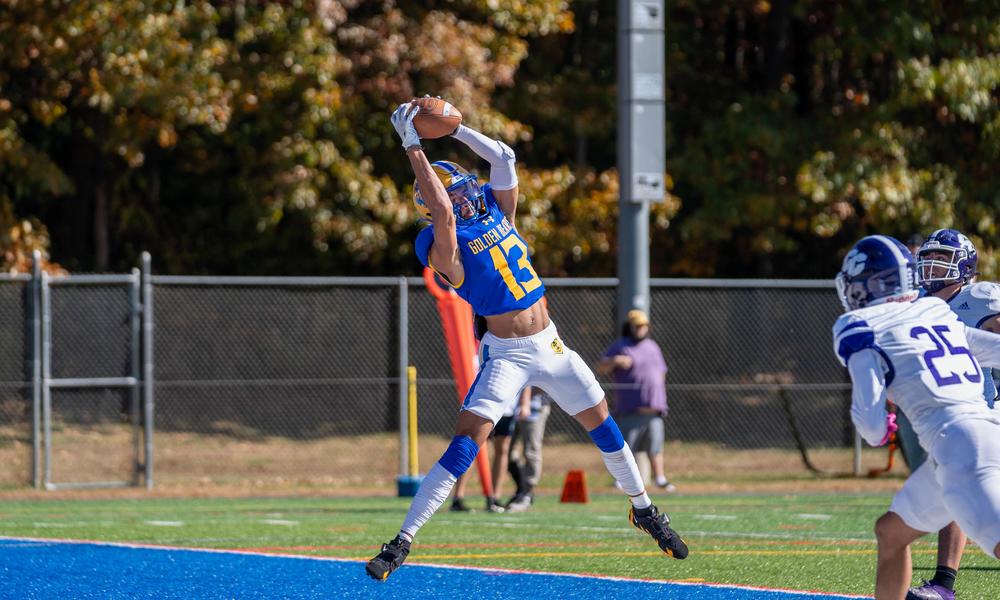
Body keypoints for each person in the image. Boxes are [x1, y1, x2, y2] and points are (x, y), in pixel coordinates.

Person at [366, 100, 688, 581]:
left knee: (603, 425)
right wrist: (413, 145)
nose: (464, 197)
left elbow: (505, 158)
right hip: (506, 356)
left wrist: (456, 131)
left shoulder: (497, 213)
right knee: (465, 444)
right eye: (454, 194)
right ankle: (402, 541)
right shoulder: (438, 243)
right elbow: (444, 217)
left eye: (462, 189)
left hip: (552, 344)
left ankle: (643, 508)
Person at [832, 235, 1000, 599]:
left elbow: (873, 428)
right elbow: (993, 350)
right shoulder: (936, 310)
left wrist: (883, 425)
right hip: (972, 438)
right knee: (891, 532)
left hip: (961, 447)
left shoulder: (859, 325)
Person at [902, 229, 1000, 600]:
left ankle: (943, 586)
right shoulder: (920, 306)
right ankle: (943, 585)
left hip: (986, 413)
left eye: (942, 258)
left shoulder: (980, 298)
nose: (931, 266)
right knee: (955, 492)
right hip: (953, 419)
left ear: (965, 264)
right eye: (928, 258)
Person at [597, 309, 676, 493]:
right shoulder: (621, 346)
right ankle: (621, 480)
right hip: (631, 409)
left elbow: (662, 373)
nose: (641, 329)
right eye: (637, 326)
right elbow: (601, 367)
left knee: (655, 446)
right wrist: (615, 361)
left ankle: (660, 478)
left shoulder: (653, 346)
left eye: (643, 325)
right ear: (630, 327)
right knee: (626, 448)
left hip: (654, 409)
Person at [505, 386, 552, 512]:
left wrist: (524, 398)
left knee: (531, 451)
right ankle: (521, 488)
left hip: (535, 408)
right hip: (511, 408)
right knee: (505, 452)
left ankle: (527, 494)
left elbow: (544, 382)